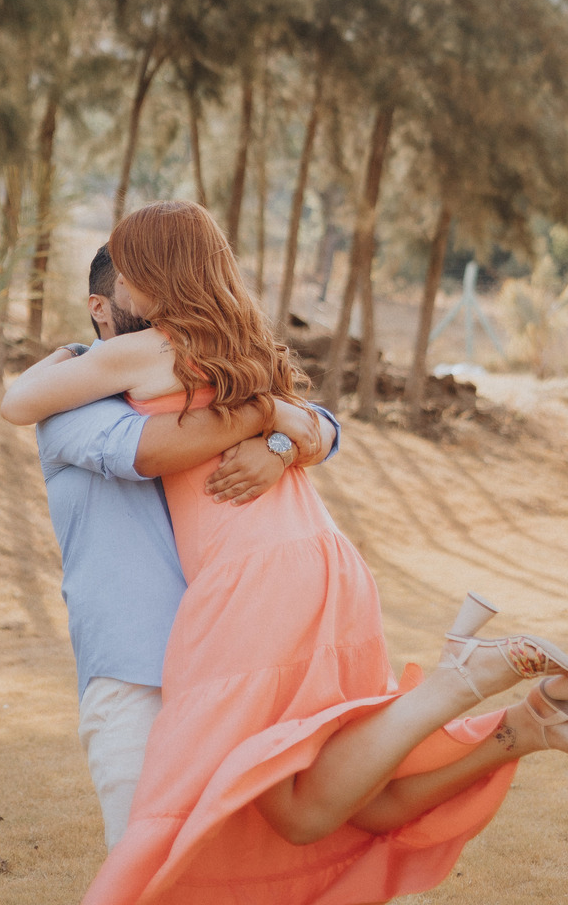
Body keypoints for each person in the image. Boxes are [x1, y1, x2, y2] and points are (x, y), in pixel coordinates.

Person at [3, 202, 568, 905]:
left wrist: (277, 433)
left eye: (132, 273)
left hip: (246, 590)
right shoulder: (239, 348)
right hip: (311, 563)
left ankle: (461, 678)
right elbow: (226, 437)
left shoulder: (142, 354)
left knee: (240, 834)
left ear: (155, 279)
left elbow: (24, 402)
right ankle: (523, 725)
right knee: (338, 804)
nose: (125, 290)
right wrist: (270, 419)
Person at [25, 243, 341, 847]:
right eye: (136, 286)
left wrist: (280, 445)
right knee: (148, 865)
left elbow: (321, 423)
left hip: (233, 660)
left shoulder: (195, 379)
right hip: (138, 672)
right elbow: (153, 449)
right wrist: (265, 416)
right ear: (100, 307)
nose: (157, 302)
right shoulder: (69, 403)